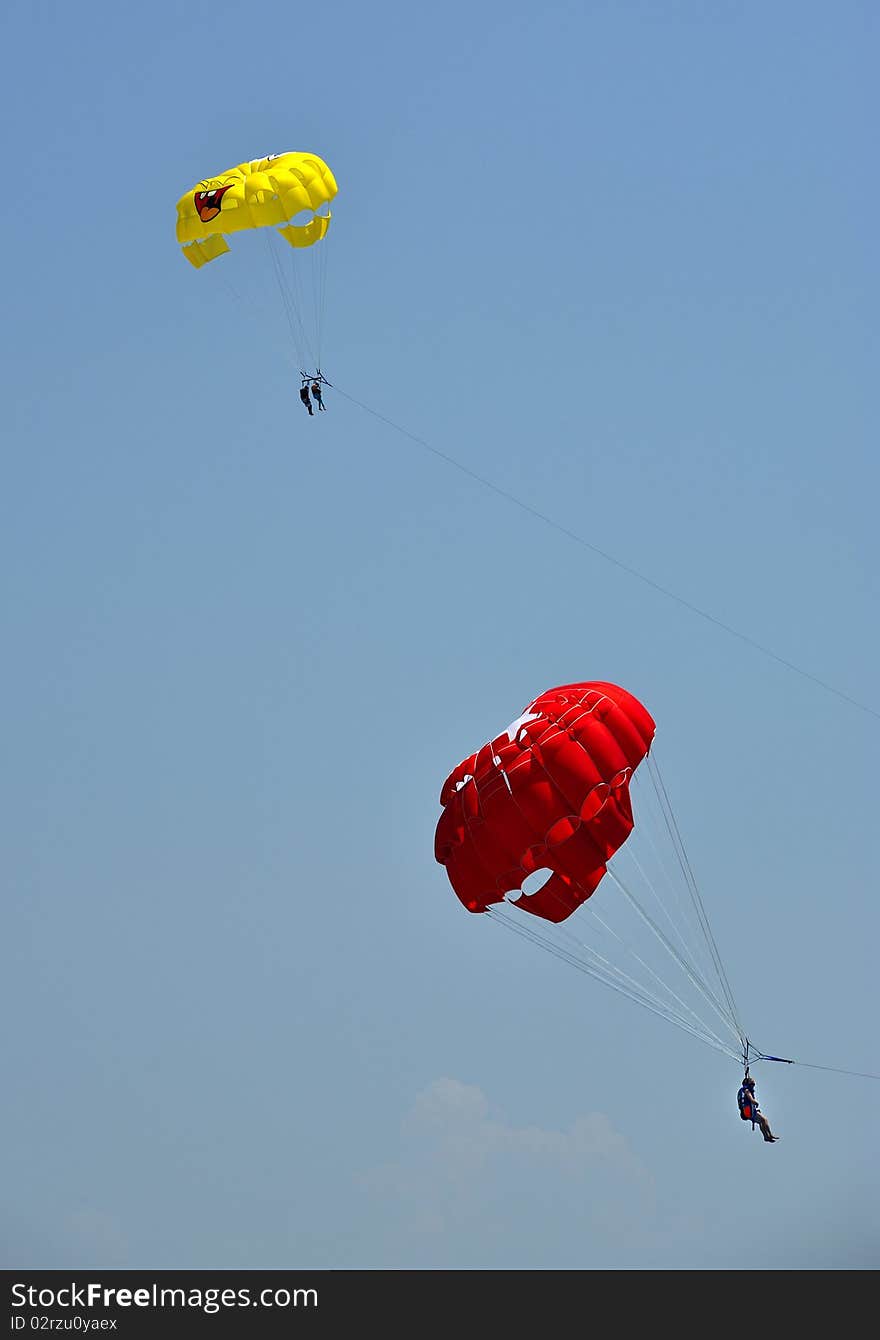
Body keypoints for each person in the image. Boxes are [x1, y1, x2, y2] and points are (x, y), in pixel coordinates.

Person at [737, 1075, 778, 1142]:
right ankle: (770, 1135)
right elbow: (751, 1099)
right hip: (748, 1111)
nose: (753, 1086)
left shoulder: (741, 1091)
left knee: (761, 1122)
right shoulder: (747, 1091)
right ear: (748, 1084)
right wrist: (756, 1103)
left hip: (744, 1113)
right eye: (752, 1084)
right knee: (765, 1120)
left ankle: (766, 1137)